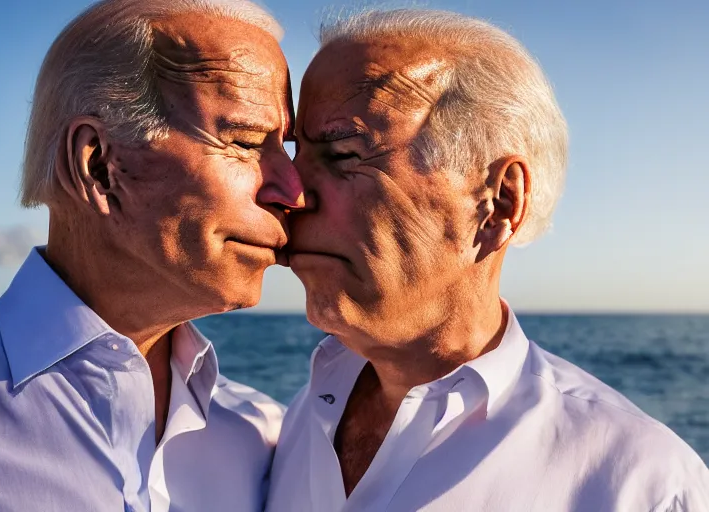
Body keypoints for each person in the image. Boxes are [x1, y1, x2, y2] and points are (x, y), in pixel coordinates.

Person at [267, 8, 709, 512]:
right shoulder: (302, 416)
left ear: (499, 201)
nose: (290, 193)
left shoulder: (640, 481)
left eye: (344, 152)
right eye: (294, 152)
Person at [0, 0, 303, 510]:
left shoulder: (263, 436)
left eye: (286, 149)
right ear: (99, 166)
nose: (294, 191)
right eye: (245, 141)